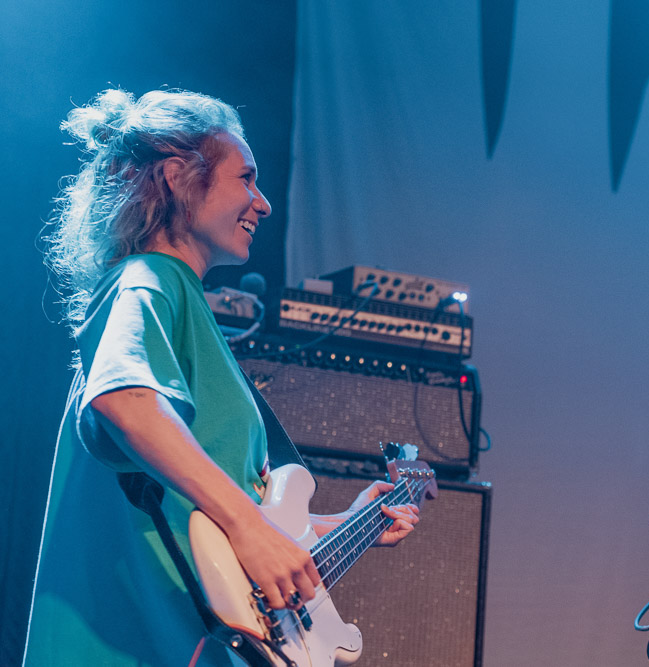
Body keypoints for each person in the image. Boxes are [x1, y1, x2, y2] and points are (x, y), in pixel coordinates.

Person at [25, 88, 420, 665]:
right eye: (246, 179)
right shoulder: (148, 278)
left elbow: (206, 508)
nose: (263, 203)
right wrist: (252, 532)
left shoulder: (181, 297)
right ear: (178, 177)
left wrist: (334, 524)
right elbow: (125, 401)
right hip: (131, 644)